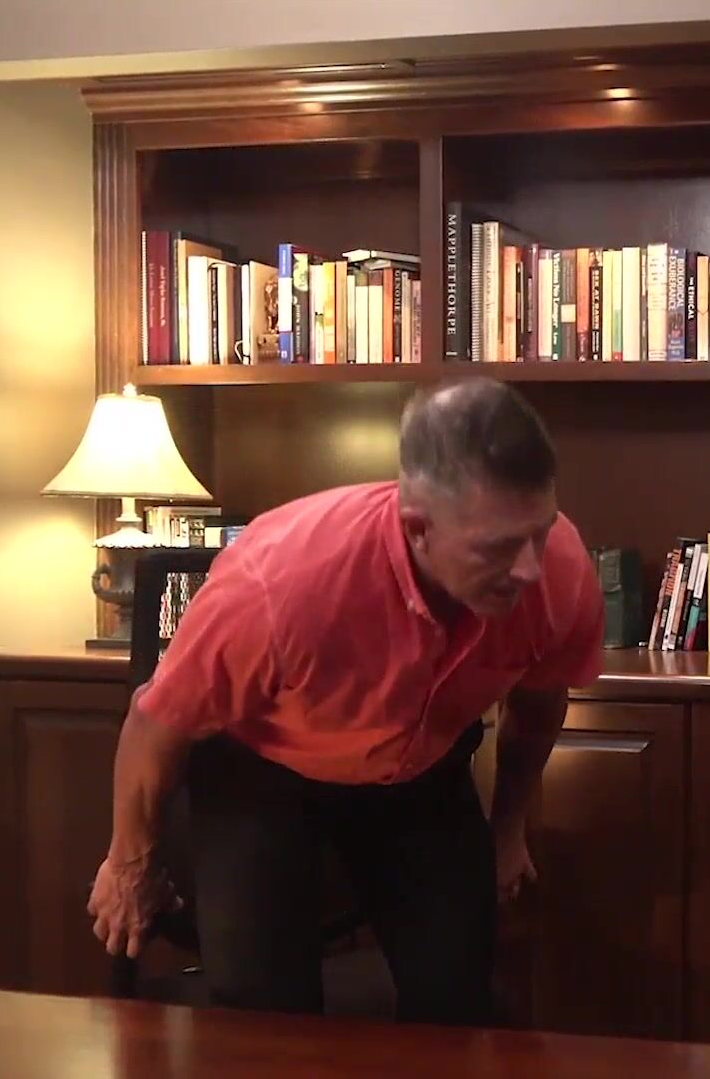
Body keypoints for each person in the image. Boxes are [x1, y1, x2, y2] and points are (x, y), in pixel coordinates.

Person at [84, 377, 605, 1025]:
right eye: (498, 548)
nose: (530, 568)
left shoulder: (558, 571)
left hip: (420, 768)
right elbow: (157, 719)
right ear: (418, 530)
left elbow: (539, 706)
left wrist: (508, 830)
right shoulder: (280, 584)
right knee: (265, 1018)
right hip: (264, 772)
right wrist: (129, 863)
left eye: (540, 533)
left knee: (459, 996)